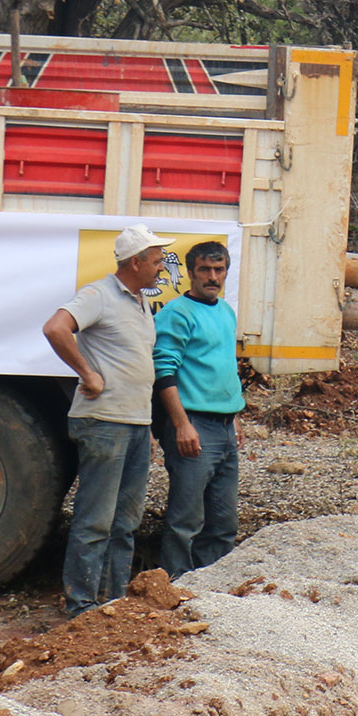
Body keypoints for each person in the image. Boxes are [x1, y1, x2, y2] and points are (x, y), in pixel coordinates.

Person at [43, 224, 174, 617]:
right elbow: (55, 327)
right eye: (155, 260)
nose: (161, 267)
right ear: (135, 263)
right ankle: (82, 606)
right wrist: (88, 372)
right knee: (96, 520)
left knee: (125, 521)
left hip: (132, 423)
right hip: (104, 421)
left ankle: (114, 604)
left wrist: (146, 426)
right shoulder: (99, 294)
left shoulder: (140, 303)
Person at [152, 240, 243, 577]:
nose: (212, 277)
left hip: (224, 427)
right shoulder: (177, 313)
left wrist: (235, 418)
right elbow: (164, 372)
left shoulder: (225, 311)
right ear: (190, 273)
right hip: (193, 425)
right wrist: (181, 425)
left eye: (219, 270)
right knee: (185, 519)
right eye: (205, 270)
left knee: (222, 520)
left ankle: (212, 590)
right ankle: (174, 585)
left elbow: (225, 367)